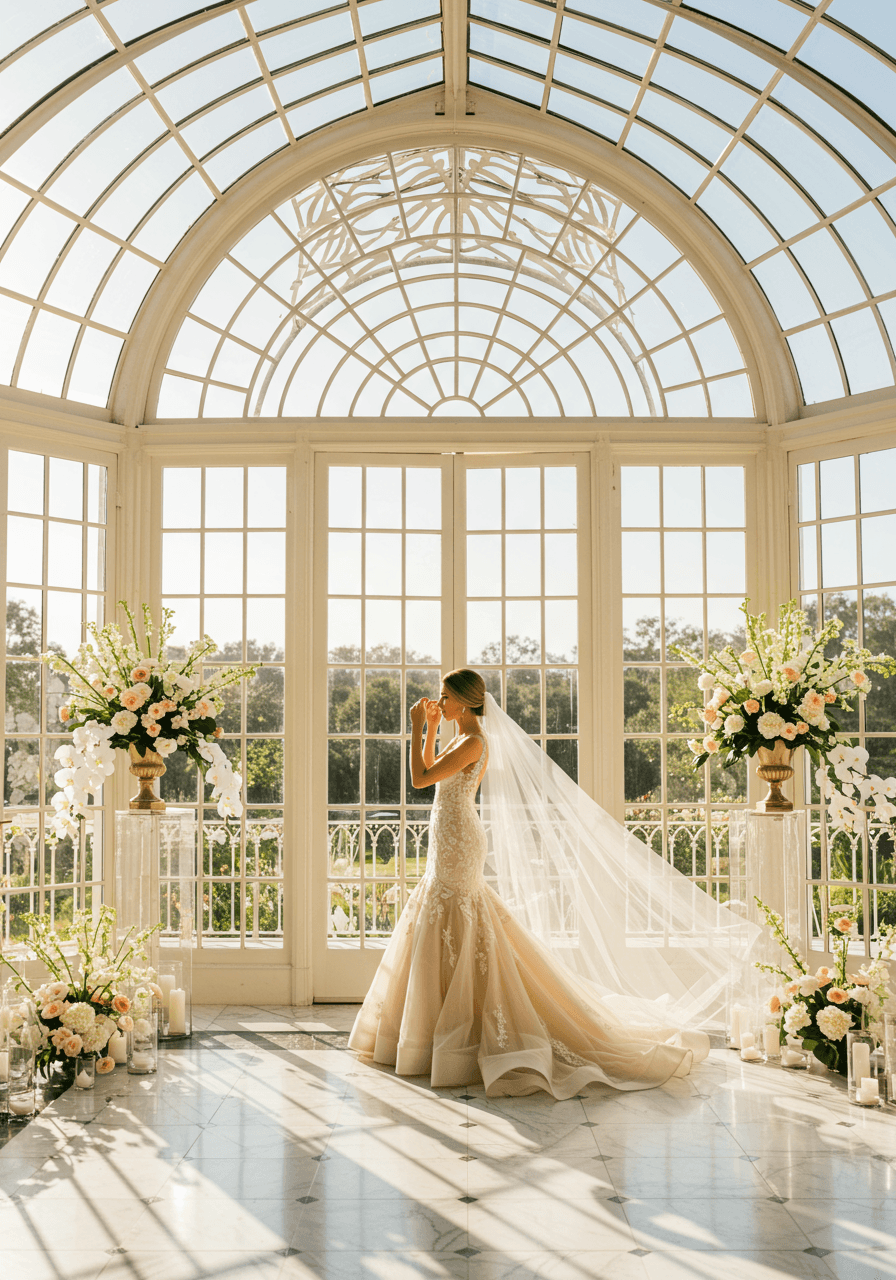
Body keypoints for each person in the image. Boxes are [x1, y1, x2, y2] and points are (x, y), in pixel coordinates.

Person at [348, 668, 748, 1098]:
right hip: (450, 837)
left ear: (463, 702)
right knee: (443, 919)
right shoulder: (460, 738)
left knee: (460, 919)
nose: (438, 703)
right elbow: (428, 774)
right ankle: (429, 1037)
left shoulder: (473, 741)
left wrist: (417, 727)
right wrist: (427, 731)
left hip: (459, 841)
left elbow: (419, 779)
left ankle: (458, 1039)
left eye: (444, 696)